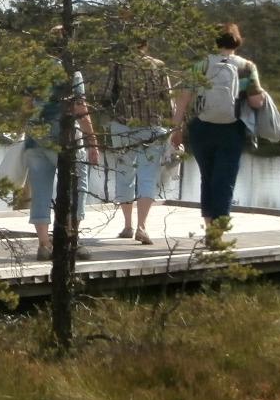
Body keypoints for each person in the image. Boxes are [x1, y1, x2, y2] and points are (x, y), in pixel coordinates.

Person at [170, 23, 265, 242]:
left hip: (202, 128)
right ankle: (217, 235)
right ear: (237, 41)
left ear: (216, 41)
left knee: (207, 178)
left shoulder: (201, 65)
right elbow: (256, 101)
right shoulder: (246, 67)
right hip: (232, 129)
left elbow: (183, 98)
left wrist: (176, 128)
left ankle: (209, 228)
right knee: (225, 180)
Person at [24, 67, 101, 262]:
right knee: (77, 185)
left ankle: (43, 244)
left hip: (35, 136)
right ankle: (71, 238)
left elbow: (26, 105)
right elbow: (80, 108)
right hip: (64, 136)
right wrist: (92, 141)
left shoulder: (33, 65)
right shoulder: (71, 70)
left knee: (40, 189)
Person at [101, 52, 176, 246]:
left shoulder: (118, 64)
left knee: (124, 175)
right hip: (153, 127)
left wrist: (110, 119)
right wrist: (173, 127)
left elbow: (107, 96)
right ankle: (142, 226)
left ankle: (128, 226)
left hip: (123, 126)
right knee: (148, 176)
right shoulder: (158, 65)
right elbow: (168, 100)